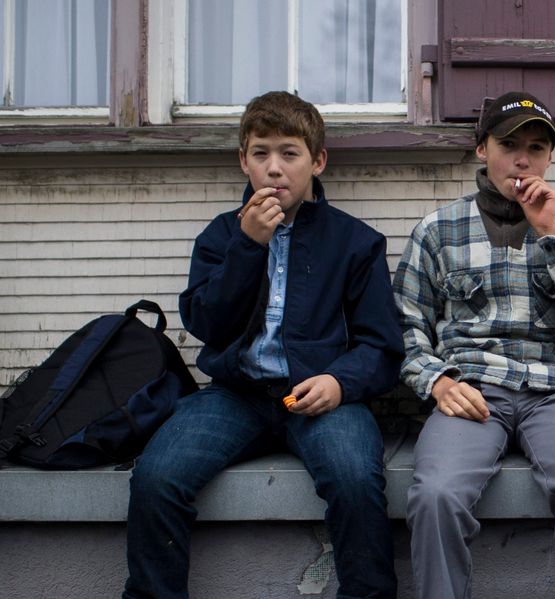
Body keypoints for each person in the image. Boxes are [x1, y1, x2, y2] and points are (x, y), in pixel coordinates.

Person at [123, 91, 404, 599]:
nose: (274, 168)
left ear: (317, 161)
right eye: (261, 153)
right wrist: (247, 245)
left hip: (321, 399)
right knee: (156, 476)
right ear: (243, 161)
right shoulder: (220, 236)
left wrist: (340, 382)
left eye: (289, 153)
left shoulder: (356, 243)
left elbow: (382, 347)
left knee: (356, 480)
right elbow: (207, 323)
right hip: (236, 395)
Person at [393, 91, 555, 599]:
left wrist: (551, 237)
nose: (523, 160)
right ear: (482, 149)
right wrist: (437, 381)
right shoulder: (437, 230)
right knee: (435, 495)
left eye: (536, 148)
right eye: (509, 145)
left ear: (549, 158)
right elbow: (406, 326)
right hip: (471, 391)